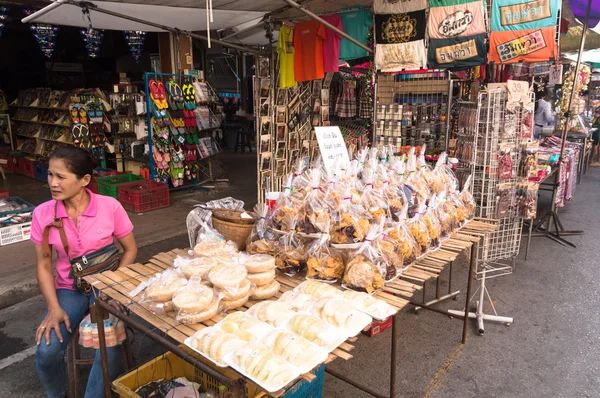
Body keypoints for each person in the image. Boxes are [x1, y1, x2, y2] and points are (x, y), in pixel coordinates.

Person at [31, 147, 137, 398]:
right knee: (46, 351)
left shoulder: (109, 206)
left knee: (109, 347)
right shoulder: (43, 214)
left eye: (61, 177)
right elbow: (44, 264)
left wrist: (114, 290)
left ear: (84, 180)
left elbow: (130, 250)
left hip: (108, 285)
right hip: (69, 289)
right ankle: (57, 394)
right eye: (50, 175)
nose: (53, 183)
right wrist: (53, 307)